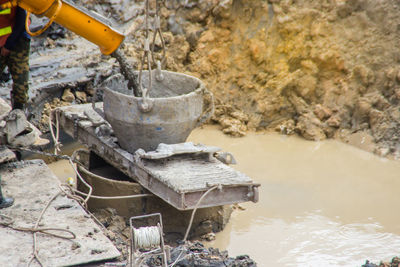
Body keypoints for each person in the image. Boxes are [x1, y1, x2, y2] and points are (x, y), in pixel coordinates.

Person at [0, 3, 31, 110]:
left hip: (18, 40)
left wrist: (9, 45)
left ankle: (18, 113)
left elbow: (21, 23)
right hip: (3, 40)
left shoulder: (18, 4)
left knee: (21, 85)